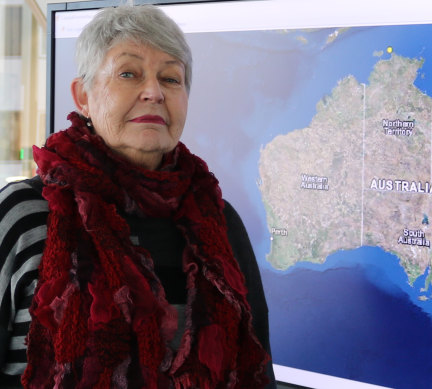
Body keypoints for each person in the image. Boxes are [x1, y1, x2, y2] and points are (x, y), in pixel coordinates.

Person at [0, 4, 276, 388]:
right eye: (128, 73)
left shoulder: (220, 224)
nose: (154, 92)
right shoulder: (24, 214)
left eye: (171, 78)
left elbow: (259, 374)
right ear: (83, 96)